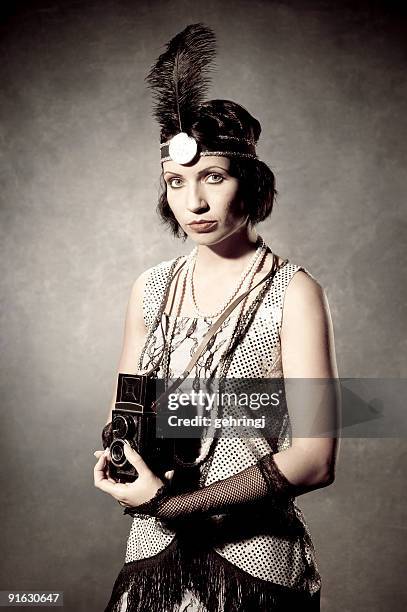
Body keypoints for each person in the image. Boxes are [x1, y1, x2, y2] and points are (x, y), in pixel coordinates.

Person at [94, 24, 339, 612]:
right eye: (176, 182)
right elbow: (123, 414)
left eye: (214, 176)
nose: (194, 202)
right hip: (153, 554)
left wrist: (168, 503)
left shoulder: (293, 291)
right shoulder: (151, 289)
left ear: (248, 183)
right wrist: (116, 455)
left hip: (252, 561)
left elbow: (315, 458)